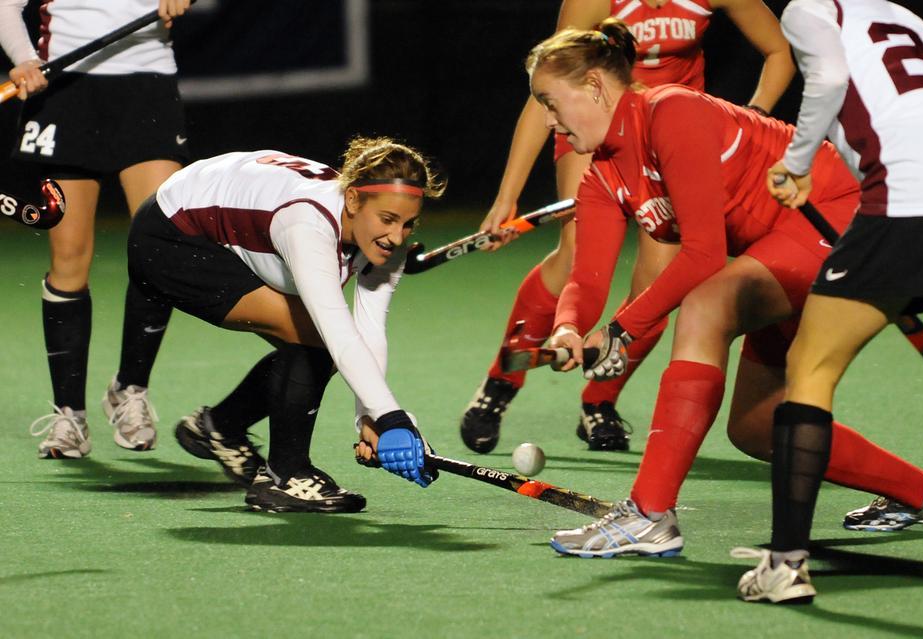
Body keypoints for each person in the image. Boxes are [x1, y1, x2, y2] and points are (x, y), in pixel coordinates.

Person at [510, 20, 923, 563]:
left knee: (707, 302)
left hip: (830, 215)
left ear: (597, 87)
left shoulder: (671, 111)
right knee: (757, 427)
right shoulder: (602, 172)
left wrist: (624, 331)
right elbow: (588, 275)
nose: (550, 121)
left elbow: (702, 253)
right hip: (773, 252)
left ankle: (650, 515)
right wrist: (569, 327)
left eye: (551, 103)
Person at [461, 0, 795, 454]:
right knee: (578, 253)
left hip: (673, 130)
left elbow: (780, 51)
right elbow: (551, 84)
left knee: (659, 284)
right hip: (591, 121)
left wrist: (752, 114)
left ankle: (598, 400)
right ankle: (502, 381)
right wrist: (508, 195)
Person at [733, 0, 923, 604]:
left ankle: (785, 565)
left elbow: (830, 80)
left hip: (907, 206)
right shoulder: (909, 18)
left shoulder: (812, 10)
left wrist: (797, 161)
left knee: (809, 367)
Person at [117, 137, 445, 512]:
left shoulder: (387, 241)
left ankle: (219, 427)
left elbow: (369, 330)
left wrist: (371, 419)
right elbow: (336, 332)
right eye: (387, 220)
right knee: (316, 339)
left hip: (216, 227)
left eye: (408, 224)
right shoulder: (307, 223)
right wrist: (393, 419)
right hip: (170, 238)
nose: (396, 236)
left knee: (318, 339)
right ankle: (286, 476)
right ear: (353, 200)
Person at [0, 0, 193, 458]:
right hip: (65, 87)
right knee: (69, 258)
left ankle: (130, 389)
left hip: (147, 82)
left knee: (162, 245)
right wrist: (24, 59)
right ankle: (70, 415)